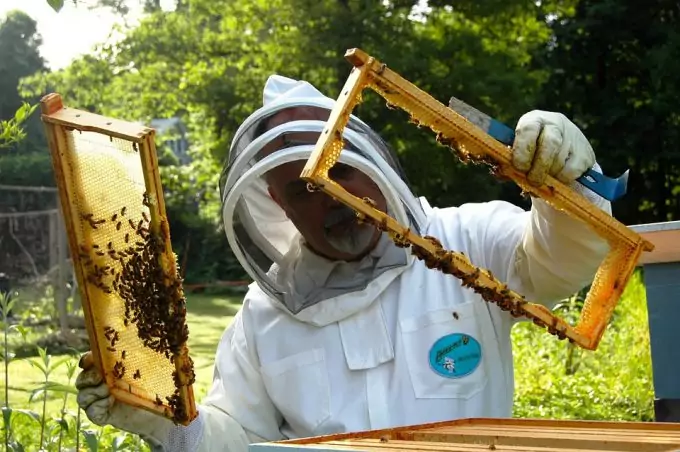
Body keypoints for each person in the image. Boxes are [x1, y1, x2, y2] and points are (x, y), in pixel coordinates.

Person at [75, 75, 612, 452]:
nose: (332, 198)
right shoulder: (263, 319)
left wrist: (566, 188)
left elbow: (559, 263)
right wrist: (166, 421)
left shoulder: (464, 239)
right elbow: (237, 439)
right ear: (278, 205)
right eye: (305, 190)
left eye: (339, 172)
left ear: (367, 158)